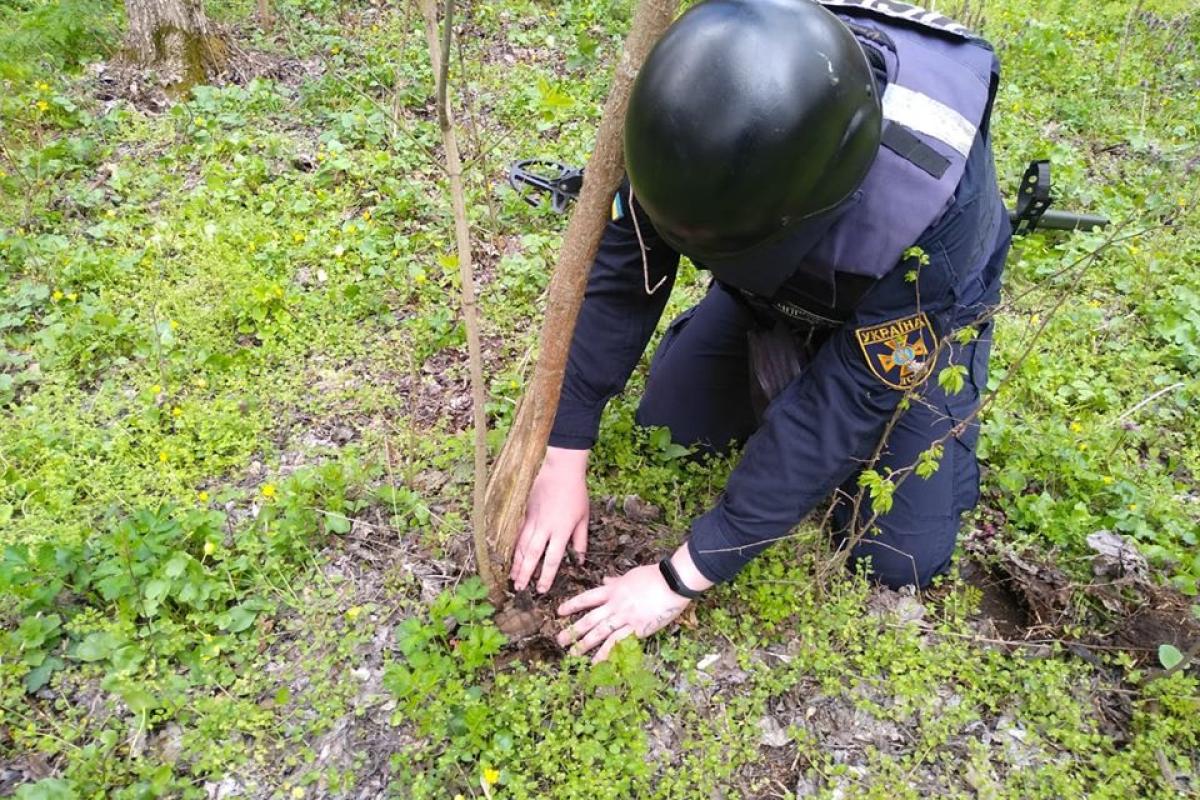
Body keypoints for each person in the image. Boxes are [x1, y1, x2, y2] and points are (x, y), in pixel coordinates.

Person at [511, 0, 1012, 662]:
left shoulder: (931, 212)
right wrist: (563, 453)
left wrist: (680, 577)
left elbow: (846, 401)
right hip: (775, 282)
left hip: (908, 310)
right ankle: (780, 333)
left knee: (897, 556)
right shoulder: (684, 109)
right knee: (676, 427)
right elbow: (626, 274)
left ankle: (884, 385)